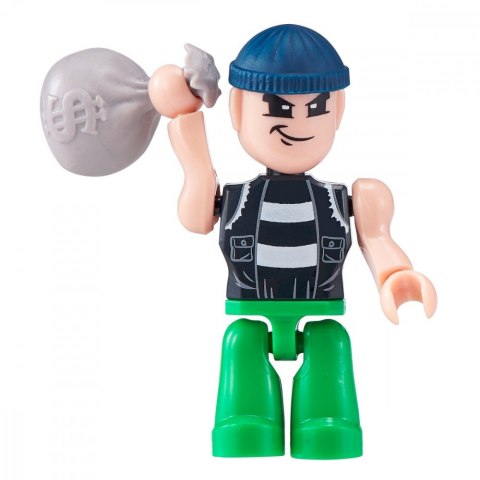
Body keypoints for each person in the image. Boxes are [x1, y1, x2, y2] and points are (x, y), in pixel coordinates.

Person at [149, 23, 437, 459]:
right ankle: (246, 422)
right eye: (277, 107)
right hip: (253, 298)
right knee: (241, 342)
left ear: (337, 111)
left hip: (319, 299)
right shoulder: (235, 197)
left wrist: (395, 275)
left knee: (331, 342)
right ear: (238, 110)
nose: (298, 122)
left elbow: (377, 238)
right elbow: (194, 216)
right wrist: (188, 136)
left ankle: (327, 424)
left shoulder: (358, 195)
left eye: (316, 106)